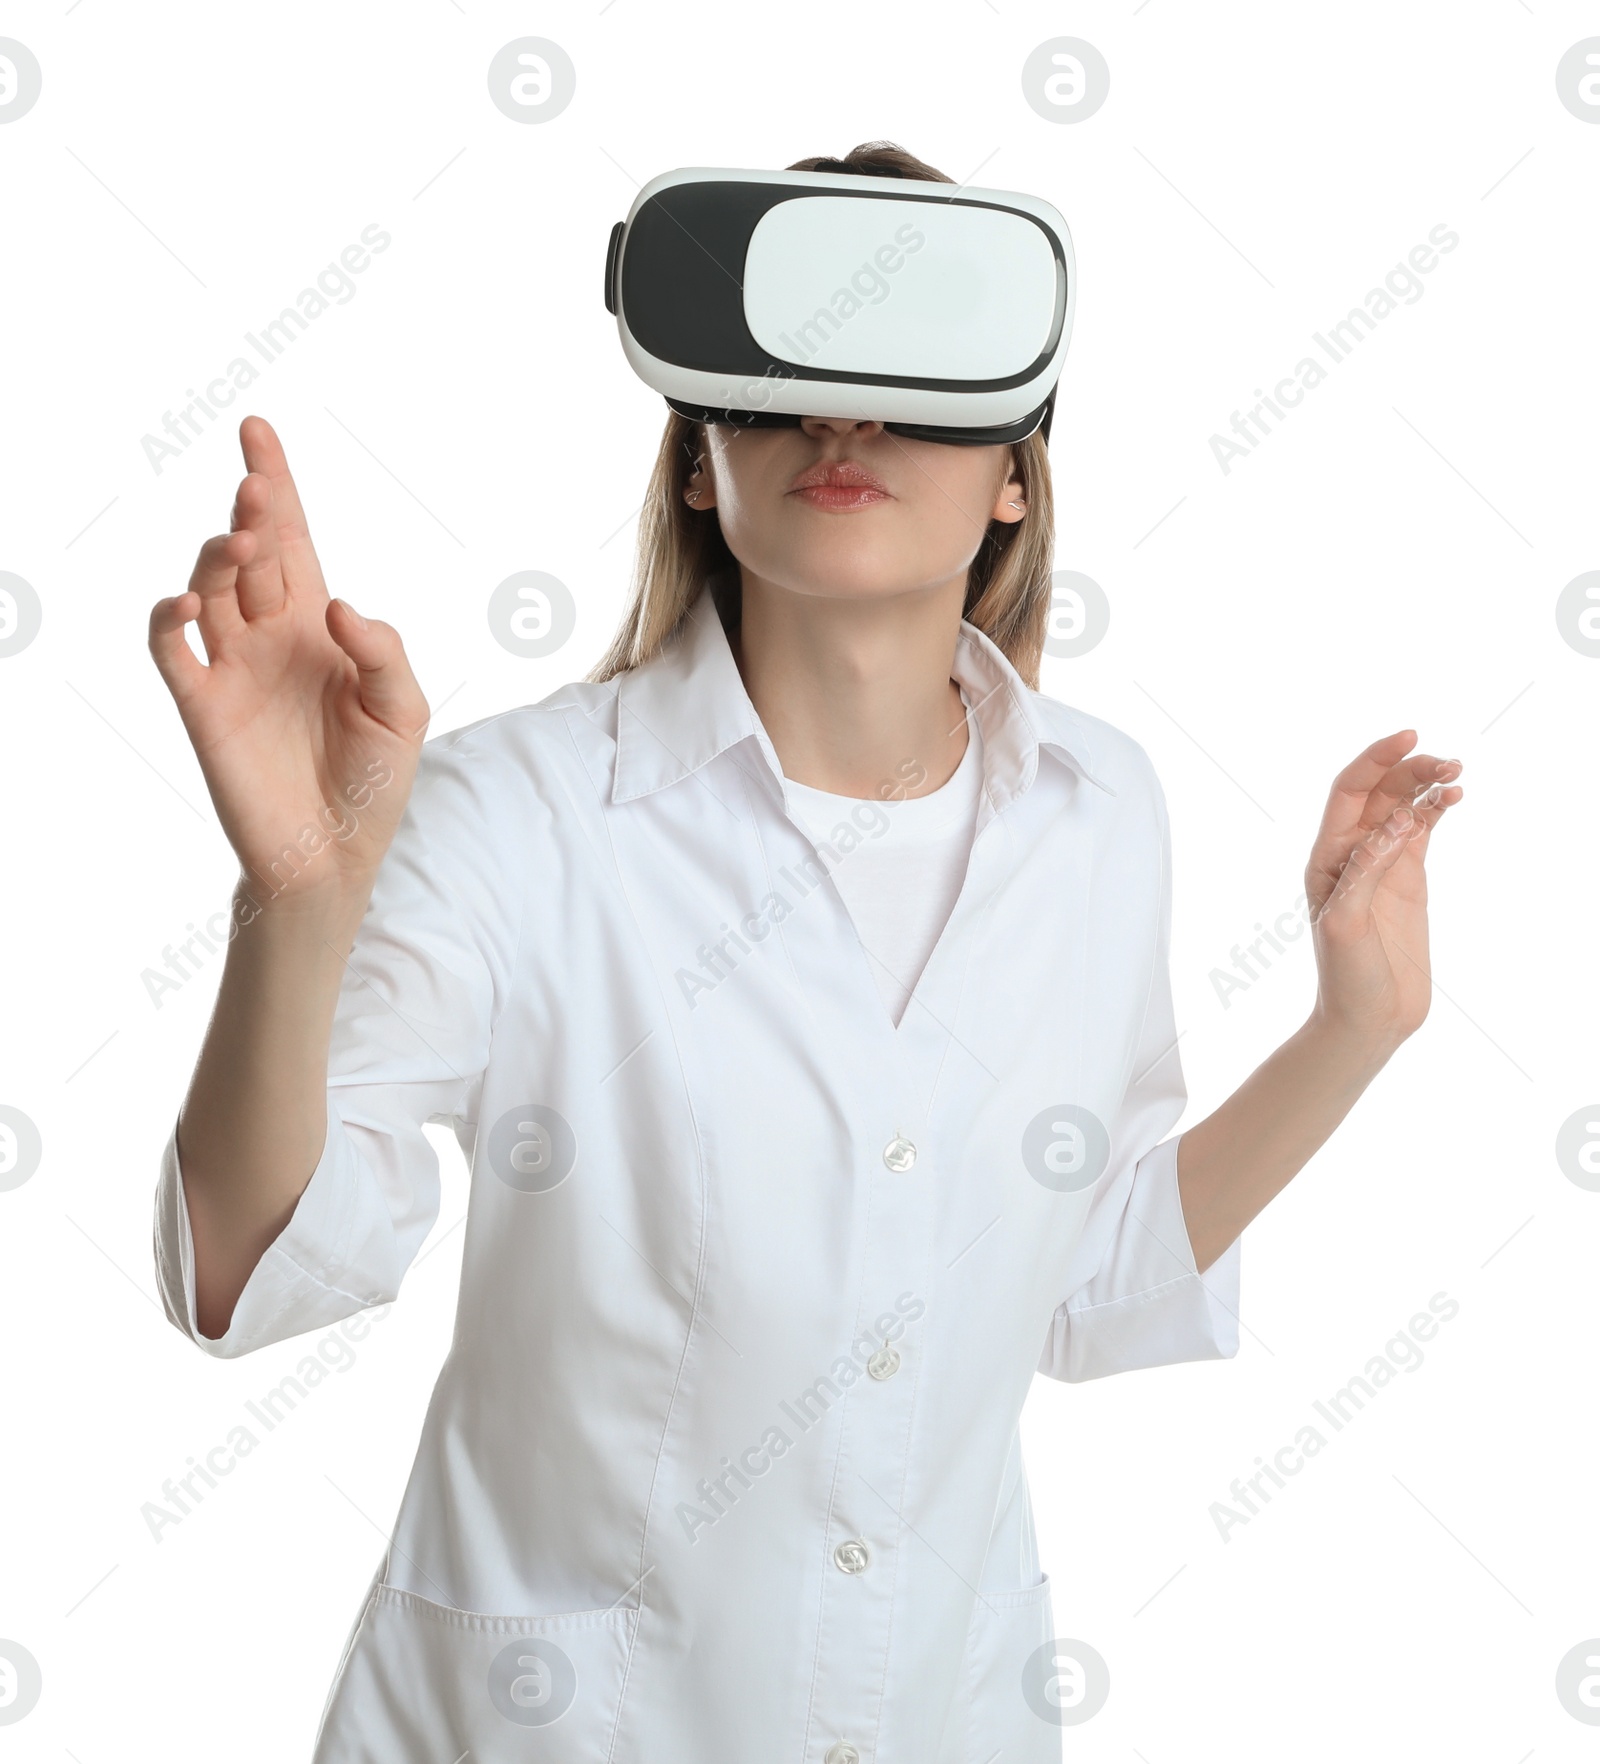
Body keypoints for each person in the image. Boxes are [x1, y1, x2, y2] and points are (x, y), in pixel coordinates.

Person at [146, 142, 1462, 1763]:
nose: (846, 421)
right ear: (701, 460)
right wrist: (297, 895)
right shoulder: (519, 808)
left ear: (1013, 478)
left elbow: (1087, 1284)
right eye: (780, 384)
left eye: (915, 385)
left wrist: (1354, 1029)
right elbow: (258, 1263)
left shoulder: (1099, 810)